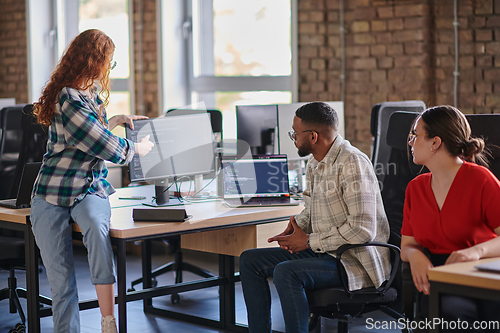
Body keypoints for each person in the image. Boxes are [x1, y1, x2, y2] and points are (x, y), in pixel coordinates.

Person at [30, 29, 154, 333]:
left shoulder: (90, 95)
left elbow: (89, 135)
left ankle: (107, 320)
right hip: (51, 192)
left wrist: (118, 120)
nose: (109, 69)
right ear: (94, 60)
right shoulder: (68, 97)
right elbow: (98, 143)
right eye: (108, 62)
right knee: (61, 281)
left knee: (98, 232)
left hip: (88, 188)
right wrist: (136, 149)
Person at [239, 102, 391, 333]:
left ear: (312, 136)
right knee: (250, 261)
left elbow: (362, 230)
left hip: (354, 261)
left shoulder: (352, 163)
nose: (293, 138)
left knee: (286, 272)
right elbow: (312, 209)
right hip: (327, 252)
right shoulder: (314, 163)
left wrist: (309, 242)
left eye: (295, 133)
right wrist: (295, 228)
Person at [401, 105, 500, 330]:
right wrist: (415, 256)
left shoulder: (480, 179)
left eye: (414, 136)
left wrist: (475, 251)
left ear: (435, 142)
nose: (410, 142)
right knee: (451, 314)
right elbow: (407, 245)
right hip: (440, 278)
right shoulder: (415, 188)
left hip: (482, 272)